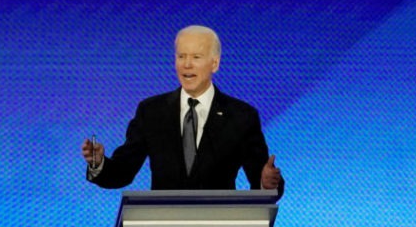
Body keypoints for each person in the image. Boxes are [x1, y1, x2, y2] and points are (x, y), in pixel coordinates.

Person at [80, 25, 283, 193]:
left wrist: (267, 183)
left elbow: (262, 177)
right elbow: (123, 172)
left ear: (215, 63)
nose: (186, 64)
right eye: (181, 56)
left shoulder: (241, 116)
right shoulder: (151, 112)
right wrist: (99, 164)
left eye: (196, 57)